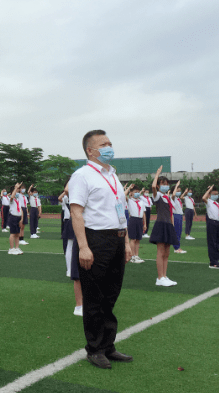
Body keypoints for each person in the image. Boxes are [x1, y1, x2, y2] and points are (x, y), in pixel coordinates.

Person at [69, 129, 133, 370]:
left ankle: (108, 345)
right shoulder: (82, 176)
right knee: (94, 297)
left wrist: (125, 242)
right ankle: (94, 349)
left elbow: (120, 211)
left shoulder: (113, 176)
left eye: (110, 143)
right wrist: (83, 247)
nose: (109, 147)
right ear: (90, 150)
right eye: (103, 144)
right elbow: (76, 212)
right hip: (95, 240)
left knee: (111, 295)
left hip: (116, 239)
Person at [149, 166, 178, 286]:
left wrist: (172, 226)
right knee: (161, 252)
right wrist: (157, 174)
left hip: (168, 226)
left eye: (166, 184)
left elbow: (170, 213)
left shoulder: (167, 197)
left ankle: (164, 276)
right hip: (161, 225)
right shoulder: (158, 196)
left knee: (167, 253)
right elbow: (152, 187)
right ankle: (160, 278)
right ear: (158, 185)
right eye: (163, 184)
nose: (165, 186)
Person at [59, 181, 83, 316]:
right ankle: (70, 269)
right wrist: (72, 181)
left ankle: (70, 269)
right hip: (71, 222)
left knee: (73, 247)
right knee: (70, 247)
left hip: (77, 221)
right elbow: (65, 192)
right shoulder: (71, 195)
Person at [202, 185, 219, 268]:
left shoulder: (217, 203)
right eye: (214, 194)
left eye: (217, 194)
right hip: (211, 223)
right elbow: (203, 198)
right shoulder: (208, 202)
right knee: (212, 242)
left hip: (217, 223)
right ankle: (213, 262)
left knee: (217, 243)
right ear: (210, 195)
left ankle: (216, 260)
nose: (216, 195)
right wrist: (209, 190)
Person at [126, 185, 146, 263]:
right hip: (133, 220)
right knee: (133, 239)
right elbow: (124, 195)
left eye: (138, 192)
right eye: (135, 192)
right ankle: (132, 256)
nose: (137, 193)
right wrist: (129, 188)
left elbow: (143, 213)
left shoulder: (141, 202)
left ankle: (136, 255)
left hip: (140, 220)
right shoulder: (130, 201)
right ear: (131, 193)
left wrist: (145, 224)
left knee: (138, 239)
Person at [7, 184, 24, 255]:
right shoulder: (11, 199)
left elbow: (20, 209)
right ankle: (11, 248)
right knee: (13, 233)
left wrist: (22, 219)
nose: (18, 191)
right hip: (13, 217)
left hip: (18, 217)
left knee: (18, 233)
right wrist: (15, 188)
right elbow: (12, 197)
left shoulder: (18, 200)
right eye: (16, 190)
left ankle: (17, 248)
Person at [171, 182, 186, 254]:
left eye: (179, 190)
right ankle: (176, 248)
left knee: (179, 232)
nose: (179, 192)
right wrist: (176, 185)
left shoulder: (178, 199)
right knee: (176, 232)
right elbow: (173, 194)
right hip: (175, 215)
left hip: (179, 215)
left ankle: (178, 247)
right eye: (177, 190)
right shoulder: (173, 198)